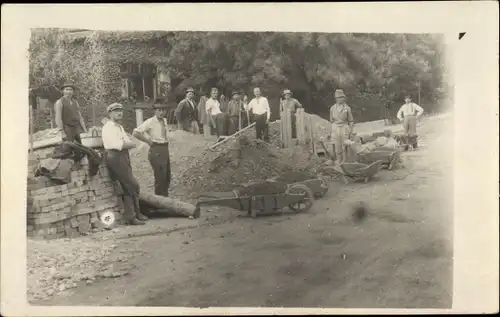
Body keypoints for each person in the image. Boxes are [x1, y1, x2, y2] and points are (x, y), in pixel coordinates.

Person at [102, 103, 147, 226]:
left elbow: (127, 141)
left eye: (121, 111)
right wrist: (130, 144)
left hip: (123, 156)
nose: (119, 113)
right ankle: (132, 216)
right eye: (116, 111)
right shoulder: (108, 127)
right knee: (131, 184)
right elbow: (117, 145)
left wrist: (128, 143)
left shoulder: (119, 127)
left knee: (130, 186)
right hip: (115, 157)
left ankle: (135, 214)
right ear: (110, 113)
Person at [132, 100, 172, 197]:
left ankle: (165, 200)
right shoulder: (150, 121)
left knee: (167, 177)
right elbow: (135, 132)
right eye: (159, 110)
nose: (161, 112)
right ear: (155, 110)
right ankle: (159, 203)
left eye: (163, 110)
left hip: (164, 149)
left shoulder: (164, 121)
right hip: (156, 149)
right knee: (160, 178)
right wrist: (148, 141)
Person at [330, 89, 354, 164]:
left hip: (344, 127)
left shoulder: (347, 108)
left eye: (341, 97)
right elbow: (331, 120)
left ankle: (345, 162)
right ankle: (339, 162)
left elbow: (351, 120)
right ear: (335, 98)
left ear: (344, 98)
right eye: (338, 97)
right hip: (336, 128)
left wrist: (351, 131)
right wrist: (333, 129)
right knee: (337, 146)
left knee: (345, 146)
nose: (340, 99)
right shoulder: (332, 108)